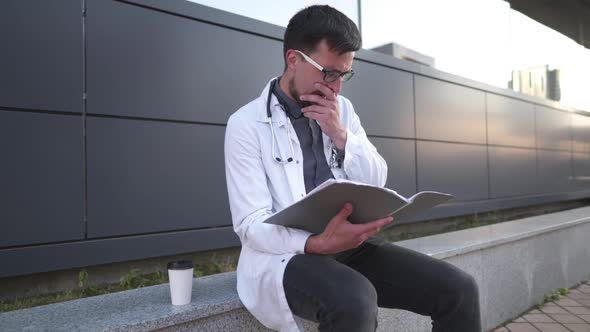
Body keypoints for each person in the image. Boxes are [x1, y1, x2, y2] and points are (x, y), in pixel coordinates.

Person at [224, 5, 482, 332]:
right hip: (288, 255)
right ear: (294, 59)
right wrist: (315, 244)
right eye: (329, 72)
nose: (336, 87)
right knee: (354, 300)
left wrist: (340, 134)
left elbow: (376, 178)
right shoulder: (246, 125)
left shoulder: (342, 111)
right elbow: (250, 224)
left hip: (349, 246)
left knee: (458, 289)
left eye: (344, 75)